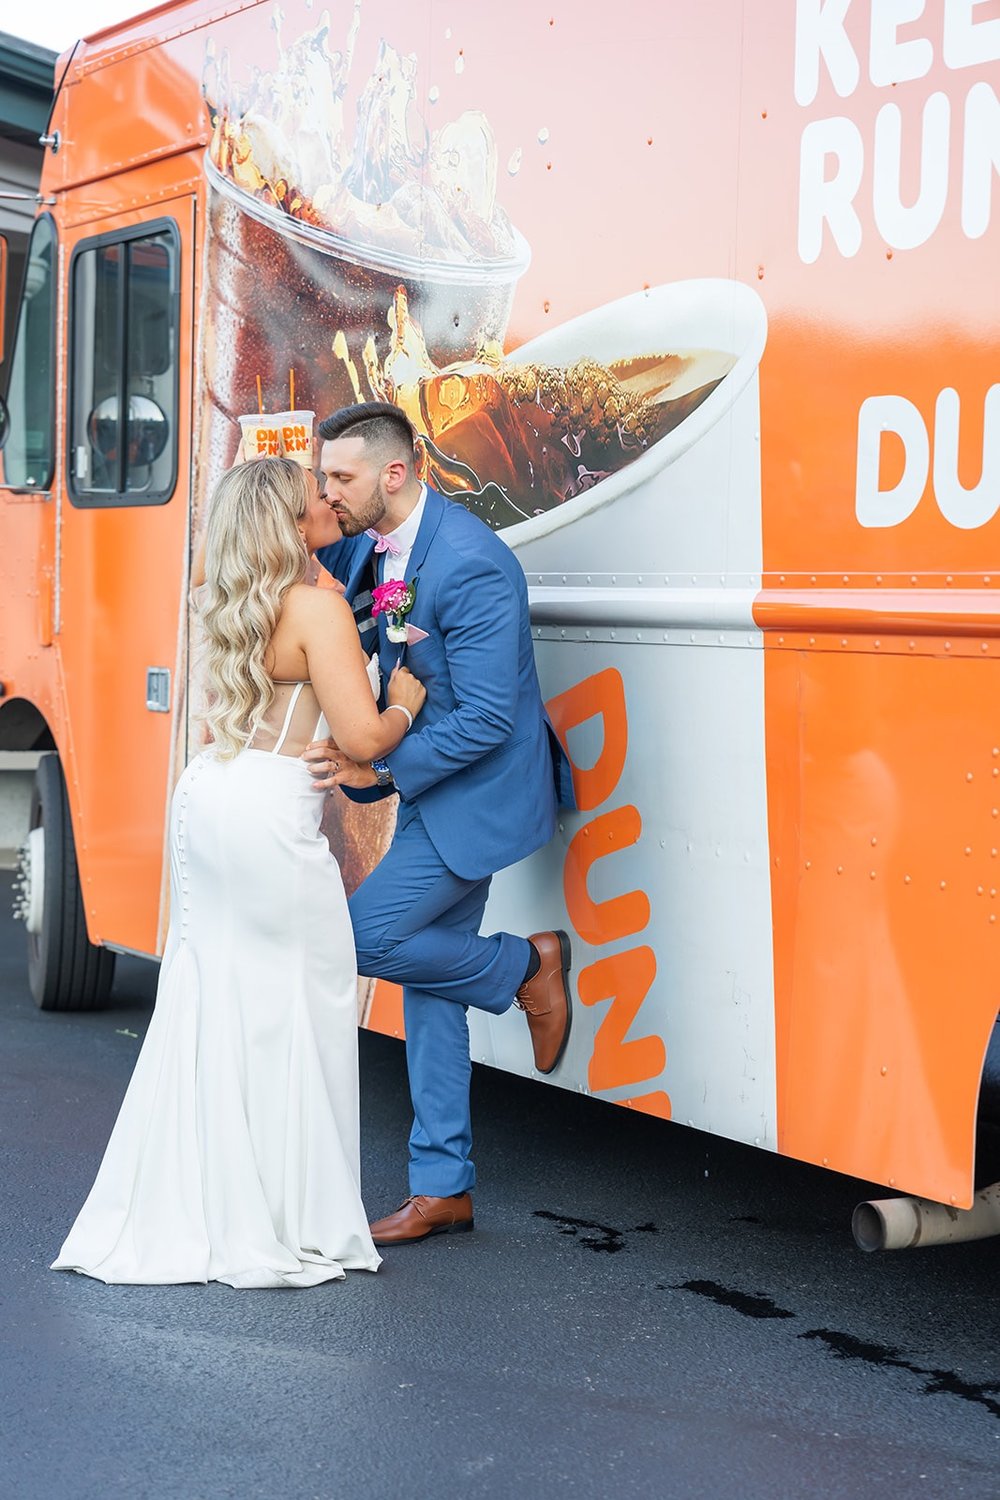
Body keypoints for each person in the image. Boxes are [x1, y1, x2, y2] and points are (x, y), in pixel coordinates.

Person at [52, 457, 426, 1287]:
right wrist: (404, 699)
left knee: (215, 995)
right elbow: (362, 739)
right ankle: (289, 1215)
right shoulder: (319, 608)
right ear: (290, 523)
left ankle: (210, 1196)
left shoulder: (227, 595)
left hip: (211, 793)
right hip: (270, 812)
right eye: (313, 494)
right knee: (301, 1002)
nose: (328, 498)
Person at [306, 401, 576, 1246]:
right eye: (322, 477)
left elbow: (491, 718)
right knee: (429, 987)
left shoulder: (472, 564)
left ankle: (525, 965)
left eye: (340, 477)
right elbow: (289, 539)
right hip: (436, 788)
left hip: (477, 794)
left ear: (395, 473)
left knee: (359, 939)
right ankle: (443, 1188)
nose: (327, 492)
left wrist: (381, 766)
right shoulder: (379, 541)